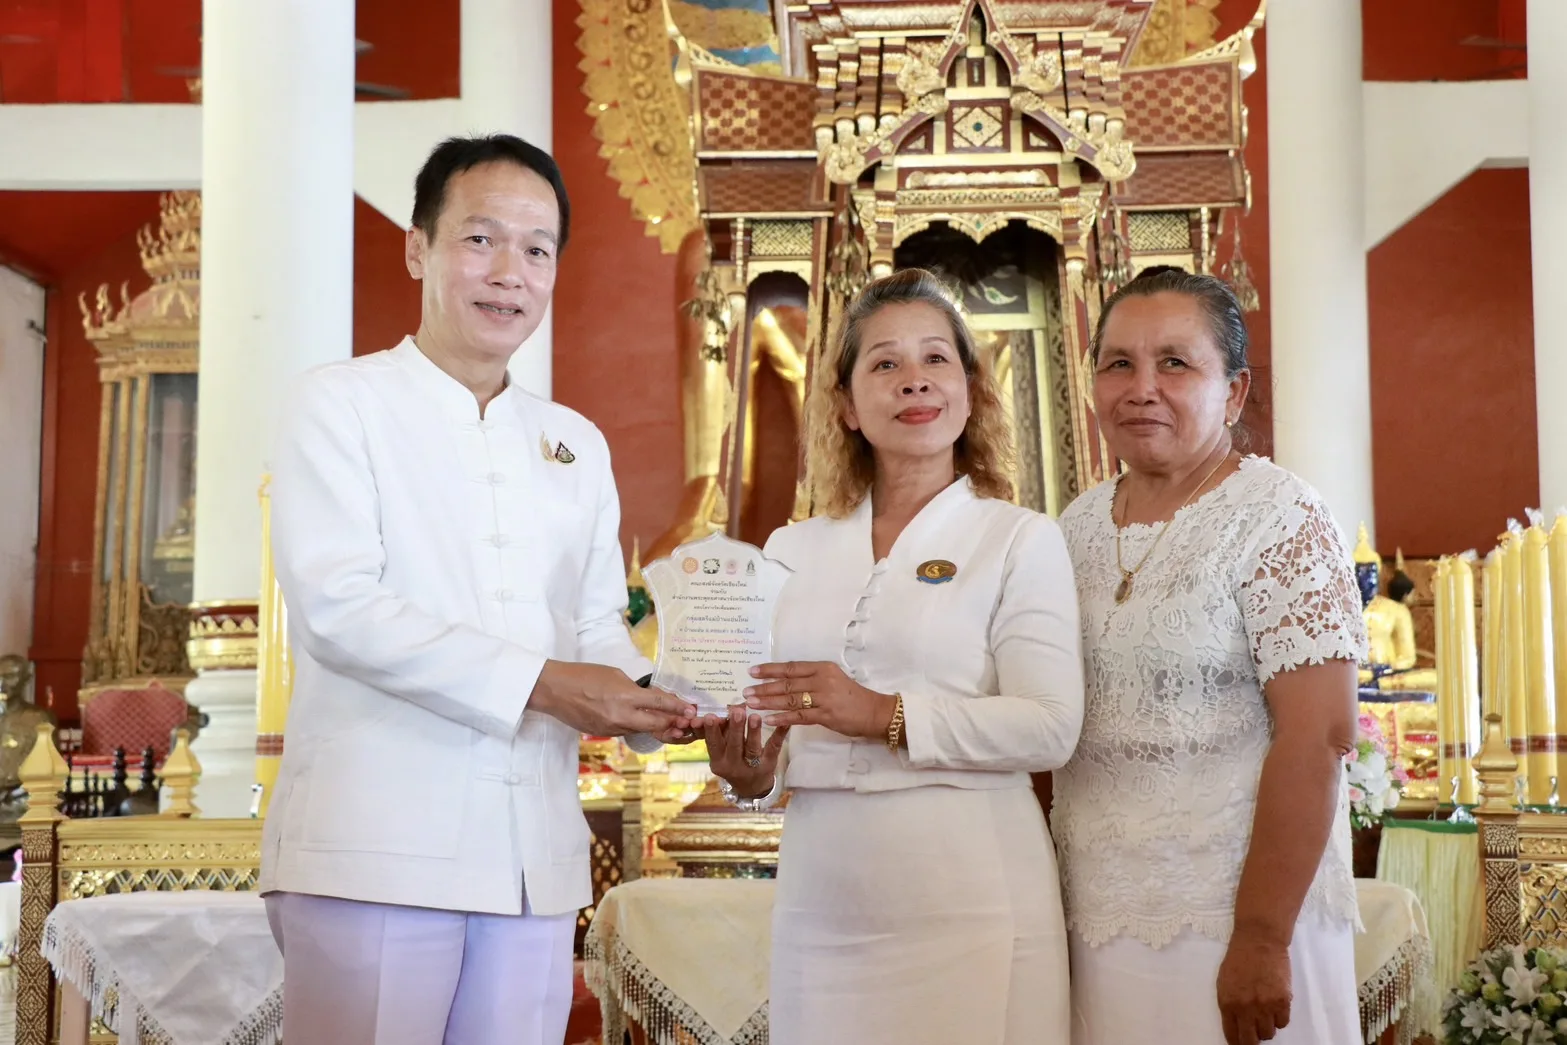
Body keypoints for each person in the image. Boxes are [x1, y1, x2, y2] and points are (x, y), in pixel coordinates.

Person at [261, 134, 696, 1045]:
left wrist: (664, 704)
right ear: (418, 247)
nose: (510, 273)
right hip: (374, 848)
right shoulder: (339, 403)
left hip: (531, 859)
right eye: (480, 239)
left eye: (537, 249)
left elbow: (594, 627)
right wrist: (548, 684)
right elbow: (341, 608)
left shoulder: (573, 441)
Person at [705, 268, 1084, 1045]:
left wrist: (881, 713)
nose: (913, 379)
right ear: (845, 404)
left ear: (970, 391)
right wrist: (749, 774)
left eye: (935, 358)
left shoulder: (1018, 538)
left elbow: (1049, 726)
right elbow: (772, 735)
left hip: (971, 891)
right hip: (822, 898)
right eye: (884, 362)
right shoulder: (789, 549)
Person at [1054, 267, 1363, 1045]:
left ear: (1232, 391)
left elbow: (1318, 735)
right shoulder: (1073, 527)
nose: (1141, 388)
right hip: (1095, 916)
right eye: (1118, 363)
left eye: (1174, 363)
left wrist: (1261, 936)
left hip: (1233, 918)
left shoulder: (1278, 516)